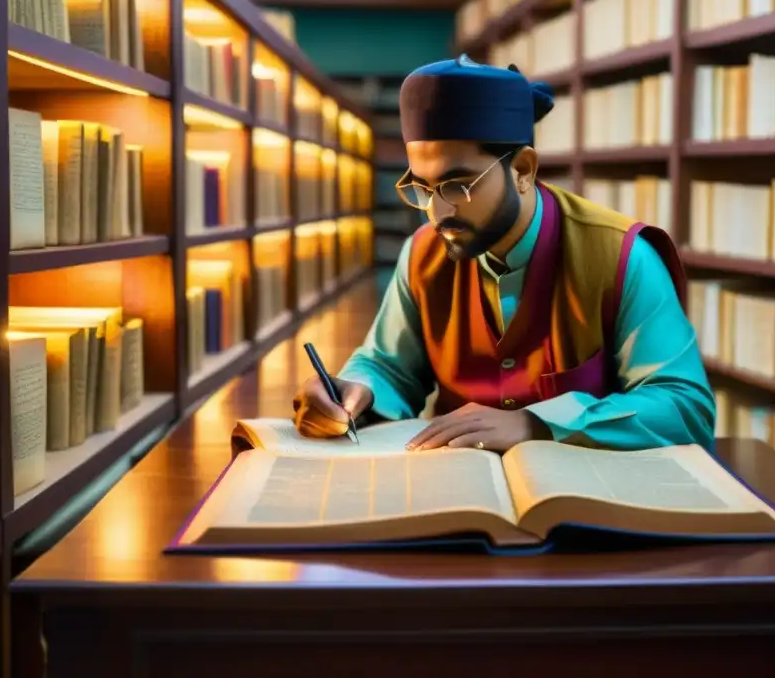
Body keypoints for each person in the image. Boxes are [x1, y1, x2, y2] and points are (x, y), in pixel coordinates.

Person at [292, 55, 715, 453]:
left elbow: (685, 406)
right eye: (423, 187)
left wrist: (539, 423)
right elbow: (390, 366)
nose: (438, 212)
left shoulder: (622, 257)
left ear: (523, 171)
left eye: (459, 185)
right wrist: (354, 389)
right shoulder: (423, 253)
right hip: (454, 487)